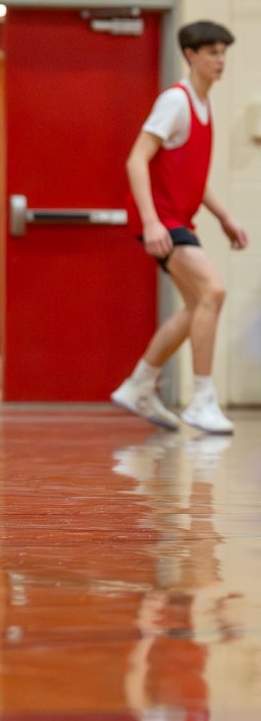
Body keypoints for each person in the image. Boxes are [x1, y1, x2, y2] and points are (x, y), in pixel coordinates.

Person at [111, 21, 247, 435]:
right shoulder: (176, 100)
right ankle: (202, 399)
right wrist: (152, 222)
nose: (219, 60)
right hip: (163, 221)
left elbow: (192, 175)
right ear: (191, 55)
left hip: (178, 219)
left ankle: (139, 385)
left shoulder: (204, 106)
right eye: (211, 52)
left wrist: (225, 217)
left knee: (195, 308)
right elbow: (137, 159)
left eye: (223, 52)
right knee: (213, 291)